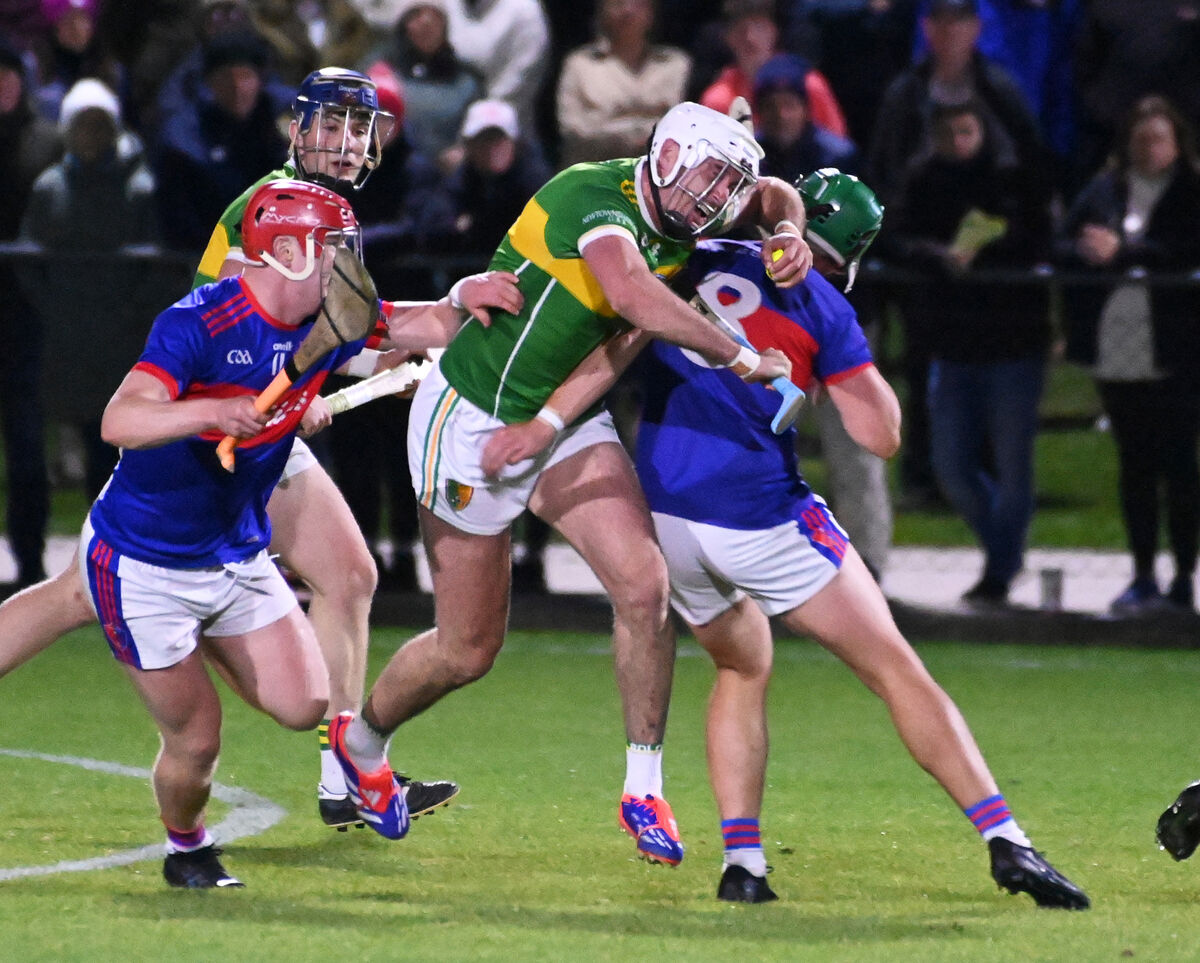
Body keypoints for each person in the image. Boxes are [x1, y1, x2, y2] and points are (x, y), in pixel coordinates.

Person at [481, 169, 1090, 910]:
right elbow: (883, 434)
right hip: (760, 516)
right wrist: (824, 351)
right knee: (897, 670)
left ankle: (744, 862)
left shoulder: (690, 257)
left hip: (669, 517)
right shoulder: (820, 301)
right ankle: (1007, 840)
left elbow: (632, 323)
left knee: (743, 662)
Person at [0, 67, 518, 830]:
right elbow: (233, 325)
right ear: (296, 129)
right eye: (331, 124)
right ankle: (343, 760)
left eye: (358, 128)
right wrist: (280, 398)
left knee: (93, 592)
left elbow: (348, 326)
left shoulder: (331, 212)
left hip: (261, 415)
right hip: (221, 425)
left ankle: (341, 764)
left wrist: (406, 340)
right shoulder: (269, 207)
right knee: (110, 589)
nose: (345, 143)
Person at [325, 100, 811, 861]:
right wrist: (743, 358)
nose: (710, 199)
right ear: (667, 155)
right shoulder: (591, 194)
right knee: (468, 649)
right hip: (470, 422)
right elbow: (631, 296)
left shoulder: (694, 216)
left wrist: (786, 230)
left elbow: (771, 197)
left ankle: (642, 787)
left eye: (723, 187)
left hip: (564, 416)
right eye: (705, 178)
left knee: (645, 585)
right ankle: (360, 747)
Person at [34, 179, 378, 888]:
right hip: (145, 560)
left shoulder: (322, 320)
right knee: (197, 741)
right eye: (331, 251)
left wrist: (467, 303)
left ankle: (203, 641)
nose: (345, 266)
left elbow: (404, 328)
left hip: (233, 551)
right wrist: (211, 411)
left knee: (305, 701)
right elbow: (119, 421)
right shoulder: (200, 321)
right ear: (283, 252)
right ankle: (186, 844)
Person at [888, 98, 1052, 606]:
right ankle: (1005, 553)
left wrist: (987, 251)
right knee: (952, 466)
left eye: (966, 131)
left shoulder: (1012, 179)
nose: (958, 143)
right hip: (952, 343)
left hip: (1014, 342)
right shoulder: (924, 181)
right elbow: (895, 238)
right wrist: (939, 257)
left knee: (1012, 461)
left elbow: (1041, 238)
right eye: (948, 134)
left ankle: (1000, 572)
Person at [1056, 95, 1200, 615]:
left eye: (1158, 139)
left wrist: (1128, 252)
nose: (1149, 148)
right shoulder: (1105, 188)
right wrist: (1088, 252)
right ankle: (1142, 573)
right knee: (1135, 464)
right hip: (1118, 348)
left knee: (1180, 465)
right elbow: (1063, 242)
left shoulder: (1189, 192)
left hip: (1176, 349)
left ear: (1178, 144)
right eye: (1140, 140)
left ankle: (1184, 575)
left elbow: (1183, 250)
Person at [17, 77, 157, 499]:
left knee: (120, 457)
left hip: (124, 343)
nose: (91, 134)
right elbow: (28, 258)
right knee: (71, 443)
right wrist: (54, 304)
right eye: (82, 124)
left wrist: (131, 310)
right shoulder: (51, 189)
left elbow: (157, 266)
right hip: (69, 342)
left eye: (100, 124)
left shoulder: (140, 188)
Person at [0, 38, 61, 590]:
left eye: (9, 74)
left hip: (25, 318)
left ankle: (30, 558)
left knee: (25, 447)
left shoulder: (44, 143)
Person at [555, 0, 691, 169]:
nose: (628, 10)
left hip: (657, 178)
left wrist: (612, 118)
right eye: (618, 3)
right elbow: (572, 130)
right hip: (594, 175)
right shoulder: (580, 64)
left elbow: (682, 128)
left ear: (652, 11)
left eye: (638, 4)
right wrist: (639, 128)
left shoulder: (674, 65)